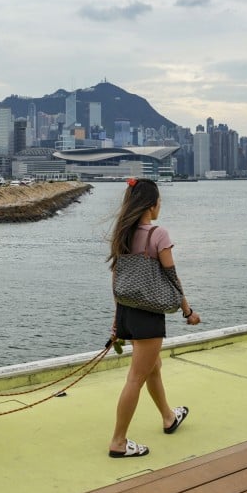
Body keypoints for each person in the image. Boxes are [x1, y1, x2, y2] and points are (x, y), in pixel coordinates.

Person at [107, 178, 201, 458]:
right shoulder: (158, 234)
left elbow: (117, 277)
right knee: (136, 377)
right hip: (149, 314)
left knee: (153, 366)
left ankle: (168, 417)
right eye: (159, 202)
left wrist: (116, 319)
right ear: (151, 205)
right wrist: (188, 311)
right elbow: (172, 277)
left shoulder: (122, 232)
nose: (160, 207)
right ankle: (118, 442)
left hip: (126, 310)